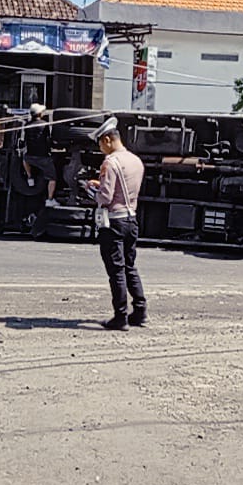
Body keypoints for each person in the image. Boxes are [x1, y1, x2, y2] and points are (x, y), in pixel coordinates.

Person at [86, 117, 146, 331]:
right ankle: (140, 311)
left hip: (113, 221)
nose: (101, 149)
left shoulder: (110, 163)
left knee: (116, 271)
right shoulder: (136, 161)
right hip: (131, 219)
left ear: (108, 140)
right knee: (130, 267)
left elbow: (106, 197)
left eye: (100, 144)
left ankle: (120, 317)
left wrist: (91, 190)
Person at [21, 104, 59, 208]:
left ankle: (30, 177)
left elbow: (24, 140)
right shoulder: (45, 125)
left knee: (24, 159)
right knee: (53, 178)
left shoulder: (27, 125)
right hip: (43, 157)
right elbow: (48, 139)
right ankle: (50, 199)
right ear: (40, 114)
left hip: (30, 156)